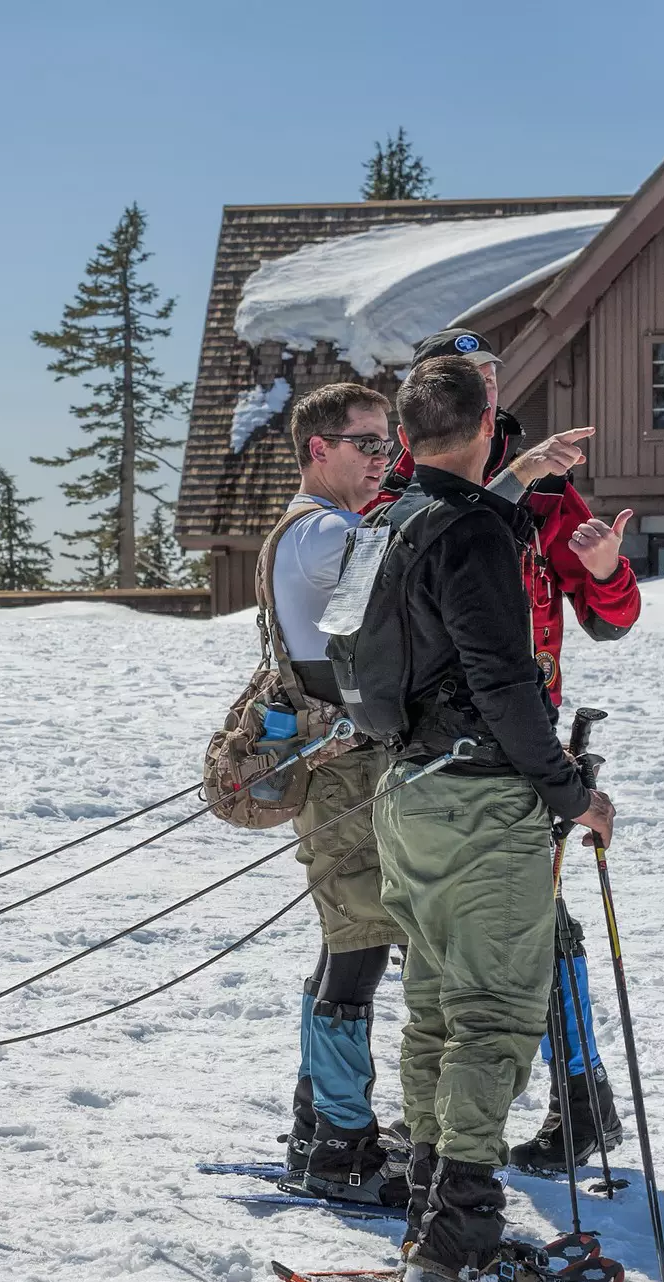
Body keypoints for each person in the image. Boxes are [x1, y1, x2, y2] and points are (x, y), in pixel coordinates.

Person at [361, 356, 615, 1282]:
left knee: (434, 1007)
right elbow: (505, 681)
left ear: (404, 435)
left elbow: (468, 526)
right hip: (478, 798)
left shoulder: (397, 519)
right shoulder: (465, 535)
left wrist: (516, 485)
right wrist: (567, 792)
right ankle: (460, 1237)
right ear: (488, 420)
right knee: (494, 1015)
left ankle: (431, 1215)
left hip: (405, 793)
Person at [397, 328, 643, 1175]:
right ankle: (476, 1129)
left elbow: (609, 619)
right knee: (453, 956)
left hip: (523, 740)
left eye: (494, 377)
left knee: (526, 931)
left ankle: (570, 1101)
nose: (489, 392)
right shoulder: (417, 480)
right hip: (437, 746)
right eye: (472, 380)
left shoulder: (548, 489)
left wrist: (607, 571)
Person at [264, 382, 408, 1206]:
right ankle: (340, 1149)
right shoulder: (327, 532)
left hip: (338, 768)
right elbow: (414, 557)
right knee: (356, 948)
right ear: (319, 448)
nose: (382, 458)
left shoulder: (314, 527)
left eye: (387, 443)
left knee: (345, 944)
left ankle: (321, 1122)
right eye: (368, 444)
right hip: (344, 772)